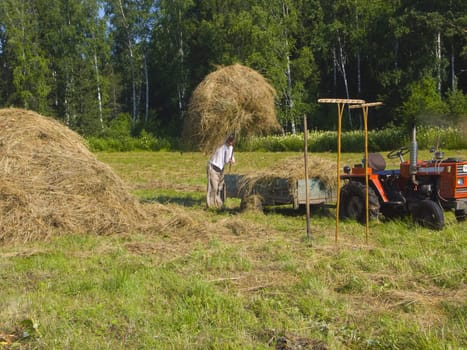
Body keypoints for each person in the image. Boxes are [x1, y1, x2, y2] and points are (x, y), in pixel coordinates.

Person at [206, 134, 235, 209]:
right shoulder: (219, 145)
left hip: (221, 169)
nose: (230, 143)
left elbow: (229, 159)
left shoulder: (231, 148)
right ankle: (210, 205)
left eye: (232, 141)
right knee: (213, 187)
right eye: (229, 141)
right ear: (226, 140)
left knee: (220, 187)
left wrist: (231, 161)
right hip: (213, 167)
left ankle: (219, 204)